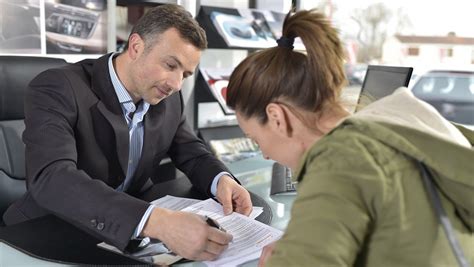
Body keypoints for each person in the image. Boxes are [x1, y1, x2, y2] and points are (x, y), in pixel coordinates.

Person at [3, 4, 252, 261]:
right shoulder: (57, 87)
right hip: (48, 232)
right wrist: (158, 222)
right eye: (170, 65)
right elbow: (52, 178)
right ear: (136, 47)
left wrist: (221, 179)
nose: (176, 84)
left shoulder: (168, 100)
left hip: (124, 234)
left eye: (185, 74)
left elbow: (192, 153)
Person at [226, 9, 474, 267]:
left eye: (256, 139)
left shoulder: (339, 161)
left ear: (277, 117)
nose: (264, 154)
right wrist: (307, 240)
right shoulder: (387, 126)